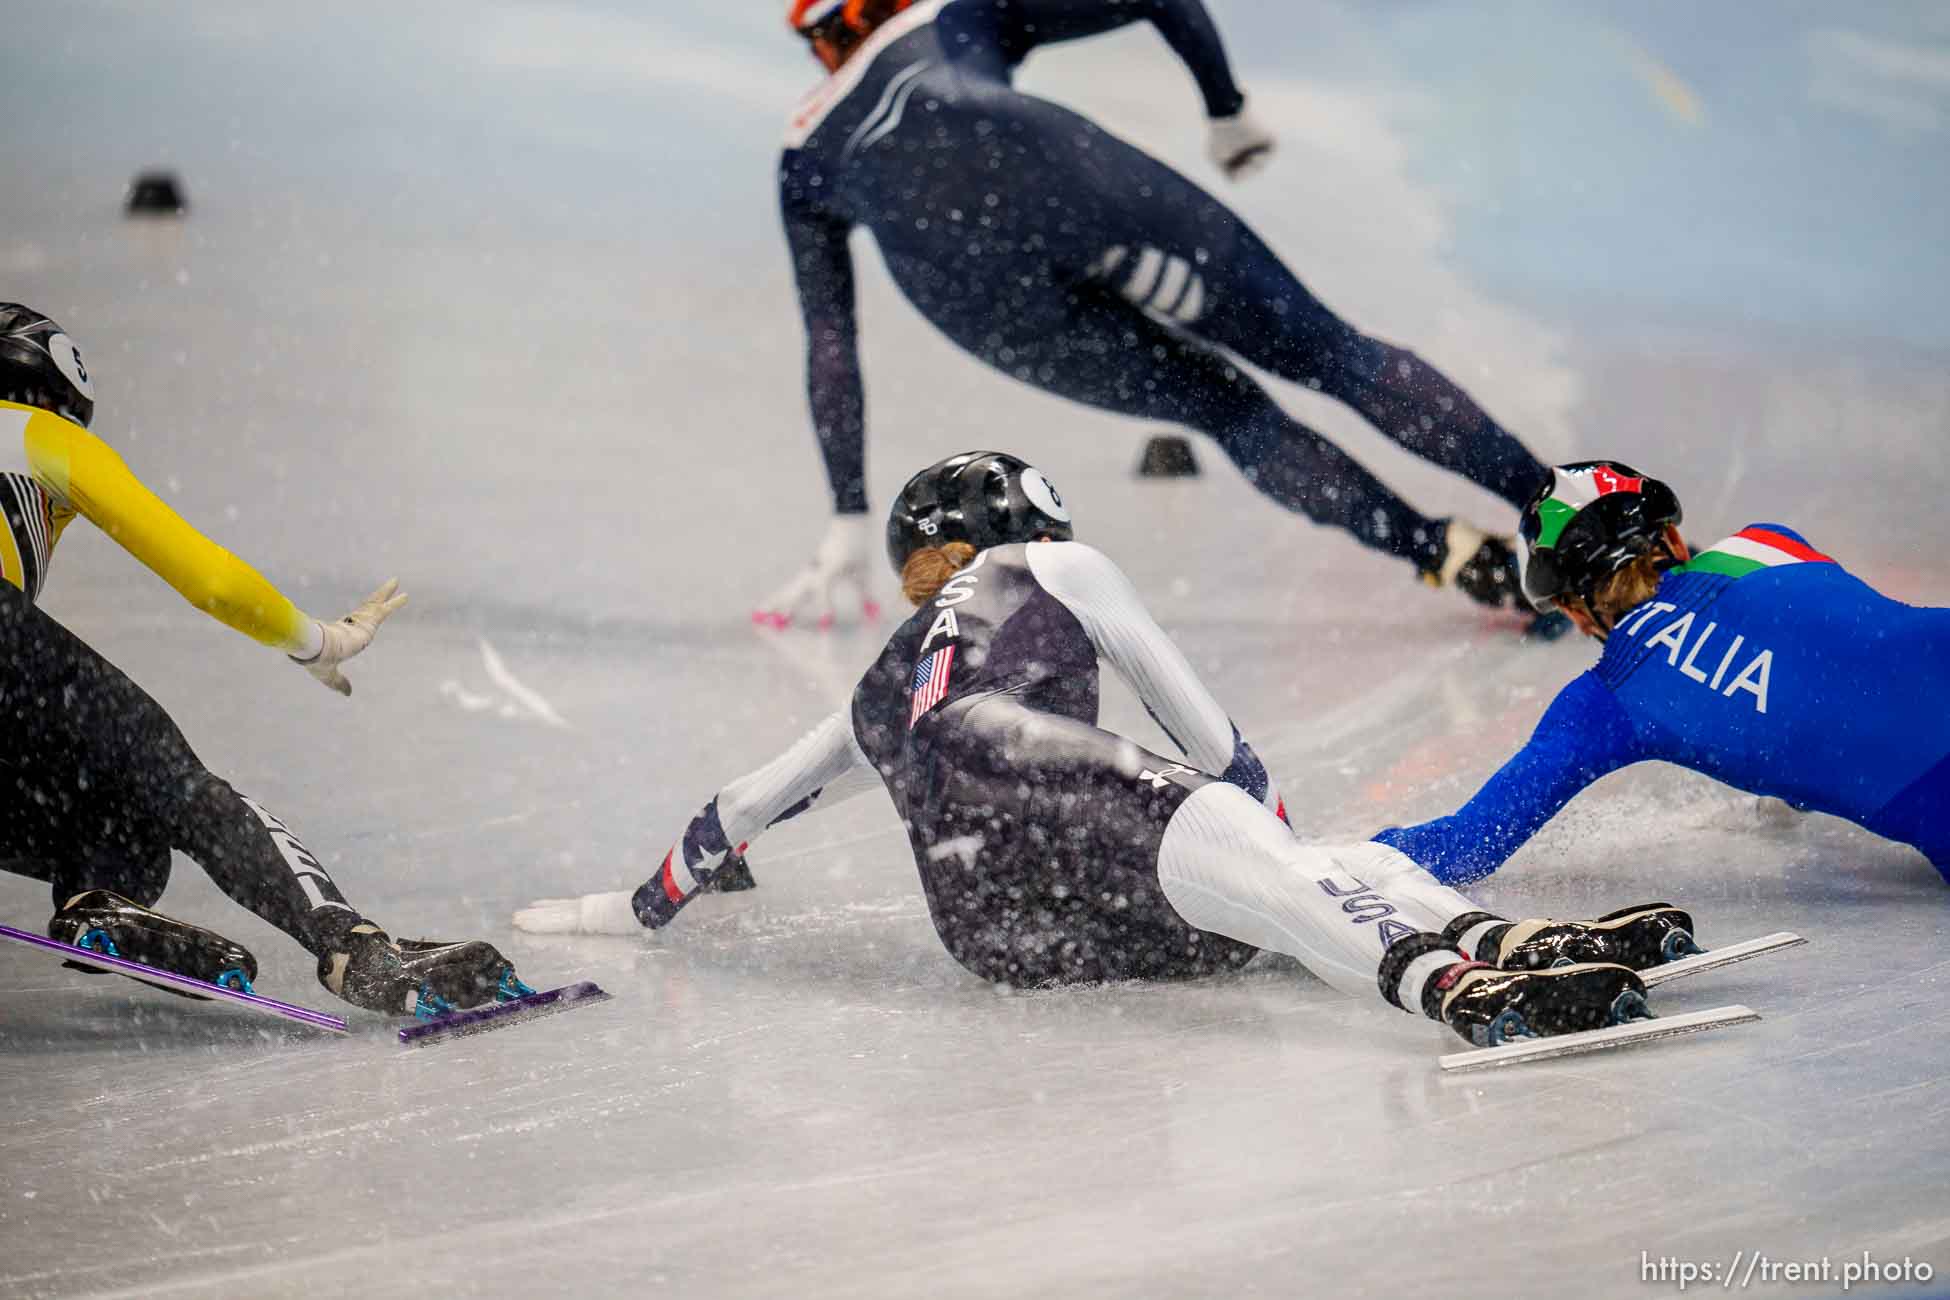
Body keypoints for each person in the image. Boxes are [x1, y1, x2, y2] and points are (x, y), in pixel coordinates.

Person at [522, 450, 1697, 1047]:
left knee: (1266, 911)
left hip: (992, 933)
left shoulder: (883, 685)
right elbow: (1200, 726)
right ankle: (1461, 975)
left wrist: (624, 908)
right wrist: (1278, 834)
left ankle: (1489, 941)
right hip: (1030, 768)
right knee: (1277, 863)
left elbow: (739, 807)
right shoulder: (1051, 566)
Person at [755, 0, 1553, 631]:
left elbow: (831, 340)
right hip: (1059, 178)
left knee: (1228, 412)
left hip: (975, 300)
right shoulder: (942, 14)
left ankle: (1439, 553)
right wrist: (1226, 108)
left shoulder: (802, 152)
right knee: (1331, 354)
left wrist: (849, 516)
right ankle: (1556, 509)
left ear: (822, 43)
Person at [0, 304, 531, 1017]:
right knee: (171, 782)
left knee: (118, 828)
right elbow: (211, 581)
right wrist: (319, 641)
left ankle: (102, 908)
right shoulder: (36, 432)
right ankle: (354, 945)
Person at [1373, 460, 1950, 887]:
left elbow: (1467, 847)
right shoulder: (1768, 542)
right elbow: (1838, 664)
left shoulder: (1606, 699)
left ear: (1575, 614)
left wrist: (1340, 867)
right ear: (1673, 538)